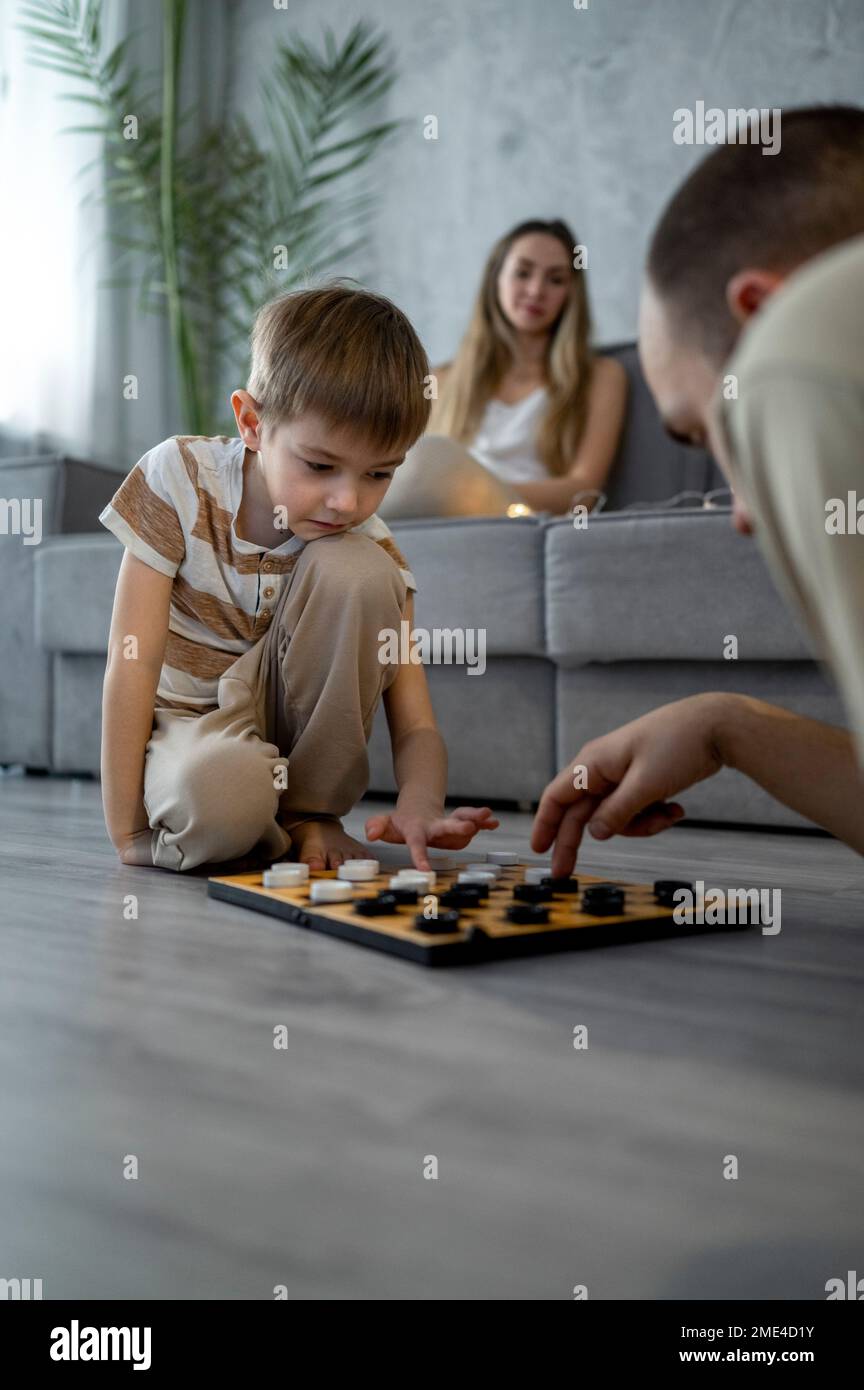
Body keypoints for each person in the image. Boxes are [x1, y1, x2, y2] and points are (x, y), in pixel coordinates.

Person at [532, 105, 864, 873]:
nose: (745, 516)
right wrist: (727, 727)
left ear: (766, 314)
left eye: (716, 432)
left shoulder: (796, 350)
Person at [99, 285, 499, 873]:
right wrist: (128, 827)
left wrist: (421, 805)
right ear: (252, 423)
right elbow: (131, 659)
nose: (346, 500)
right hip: (188, 727)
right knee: (223, 801)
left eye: (379, 474)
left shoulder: (369, 541)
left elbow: (414, 719)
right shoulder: (177, 479)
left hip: (284, 731)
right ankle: (258, 810)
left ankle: (309, 814)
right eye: (320, 465)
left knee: (361, 568)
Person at [377, 218, 628, 520]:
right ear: (496, 278)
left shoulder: (601, 376)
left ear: (571, 293)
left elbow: (583, 492)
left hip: (527, 525)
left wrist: (472, 490)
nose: (536, 290)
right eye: (523, 273)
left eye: (556, 279)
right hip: (444, 526)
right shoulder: (439, 381)